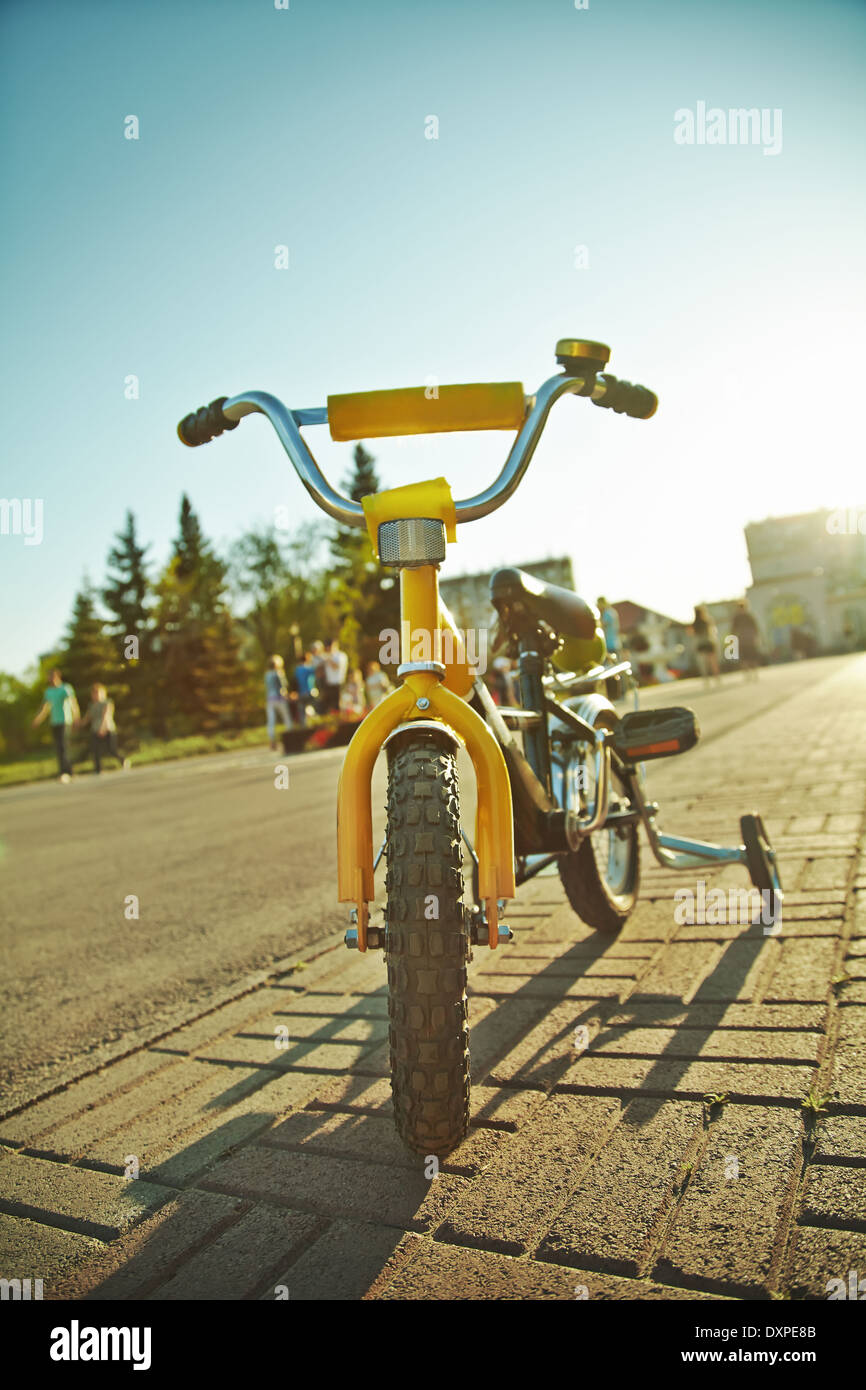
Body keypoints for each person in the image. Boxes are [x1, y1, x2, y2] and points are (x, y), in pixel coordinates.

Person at [32, 668, 80, 782]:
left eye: (53, 677)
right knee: (59, 747)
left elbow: (73, 703)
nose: (51, 679)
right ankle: (68, 771)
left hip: (65, 720)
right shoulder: (48, 691)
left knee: (63, 746)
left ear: (58, 677)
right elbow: (45, 707)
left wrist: (76, 717)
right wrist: (37, 719)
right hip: (55, 722)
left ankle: (65, 772)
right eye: (49, 677)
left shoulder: (65, 688)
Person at [79, 684, 130, 773]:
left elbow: (106, 716)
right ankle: (98, 769)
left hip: (108, 728)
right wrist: (80, 724)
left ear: (103, 693)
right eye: (94, 693)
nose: (96, 695)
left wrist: (102, 728)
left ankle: (123, 760)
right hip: (95, 729)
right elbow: (88, 717)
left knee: (111, 749)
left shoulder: (107, 703)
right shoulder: (92, 705)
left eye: (98, 693)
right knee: (95, 749)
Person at [264, 655, 291, 750]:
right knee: (286, 718)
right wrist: (286, 696)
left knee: (271, 721)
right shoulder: (279, 673)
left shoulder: (267, 675)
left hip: (270, 699)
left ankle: (272, 740)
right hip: (279, 699)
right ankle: (289, 737)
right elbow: (283, 687)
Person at [731, 599, 762, 681]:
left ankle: (752, 674)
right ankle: (749, 674)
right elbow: (756, 628)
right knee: (747, 658)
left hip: (746, 640)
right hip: (745, 640)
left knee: (749, 658)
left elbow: (733, 630)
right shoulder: (745, 616)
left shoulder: (742, 617)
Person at [692, 604, 721, 688]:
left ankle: (706, 679)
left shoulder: (695, 623)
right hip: (708, 642)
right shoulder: (707, 620)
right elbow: (713, 631)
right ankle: (717, 677)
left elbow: (693, 634)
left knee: (703, 663)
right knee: (713, 662)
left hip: (700, 644)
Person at [292, 651, 319, 726]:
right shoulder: (308, 669)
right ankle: (315, 721)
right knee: (314, 706)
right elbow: (316, 671)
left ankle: (304, 724)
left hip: (301, 693)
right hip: (309, 692)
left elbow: (295, 681)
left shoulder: (297, 670)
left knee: (302, 710)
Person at [321, 639, 348, 713]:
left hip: (338, 683)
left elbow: (336, 667)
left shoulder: (341, 655)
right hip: (329, 684)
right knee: (329, 705)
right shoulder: (327, 656)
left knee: (338, 704)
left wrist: (328, 658)